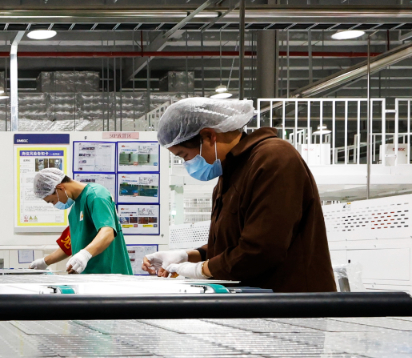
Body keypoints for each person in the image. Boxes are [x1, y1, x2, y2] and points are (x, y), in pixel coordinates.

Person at [143, 98, 336, 292]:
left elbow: (261, 250)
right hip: (256, 302)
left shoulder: (274, 158)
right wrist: (188, 256)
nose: (188, 165)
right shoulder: (229, 174)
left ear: (209, 136)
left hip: (292, 305)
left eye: (185, 156)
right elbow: (233, 244)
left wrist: (199, 269)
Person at [30, 169, 132, 275]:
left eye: (52, 201)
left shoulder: (96, 195)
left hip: (110, 276)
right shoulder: (74, 211)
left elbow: (108, 232)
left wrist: (85, 255)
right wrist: (44, 262)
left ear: (59, 188)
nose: (54, 204)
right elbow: (70, 245)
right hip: (88, 278)